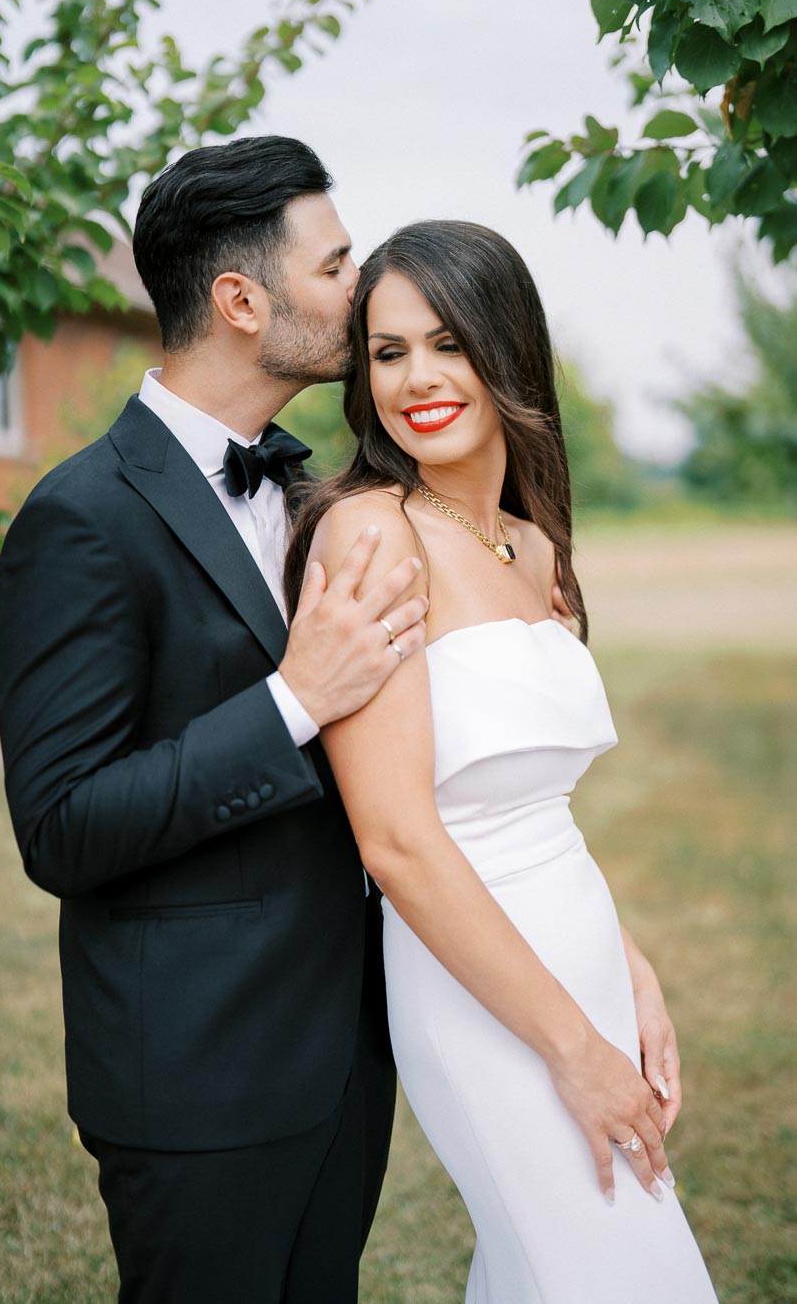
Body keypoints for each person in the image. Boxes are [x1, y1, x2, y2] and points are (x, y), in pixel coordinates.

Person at [0, 136, 434, 1303]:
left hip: (343, 1055)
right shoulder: (80, 517)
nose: (363, 283)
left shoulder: (306, 494)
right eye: (335, 266)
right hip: (197, 1079)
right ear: (242, 300)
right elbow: (65, 827)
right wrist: (295, 700)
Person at [283, 220, 718, 1302]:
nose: (418, 379)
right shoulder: (372, 534)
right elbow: (395, 839)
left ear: (507, 348)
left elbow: (540, 811)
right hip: (479, 994)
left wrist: (631, 970)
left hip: (578, 963)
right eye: (388, 353)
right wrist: (573, 1046)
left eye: (448, 343)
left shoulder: (532, 546)